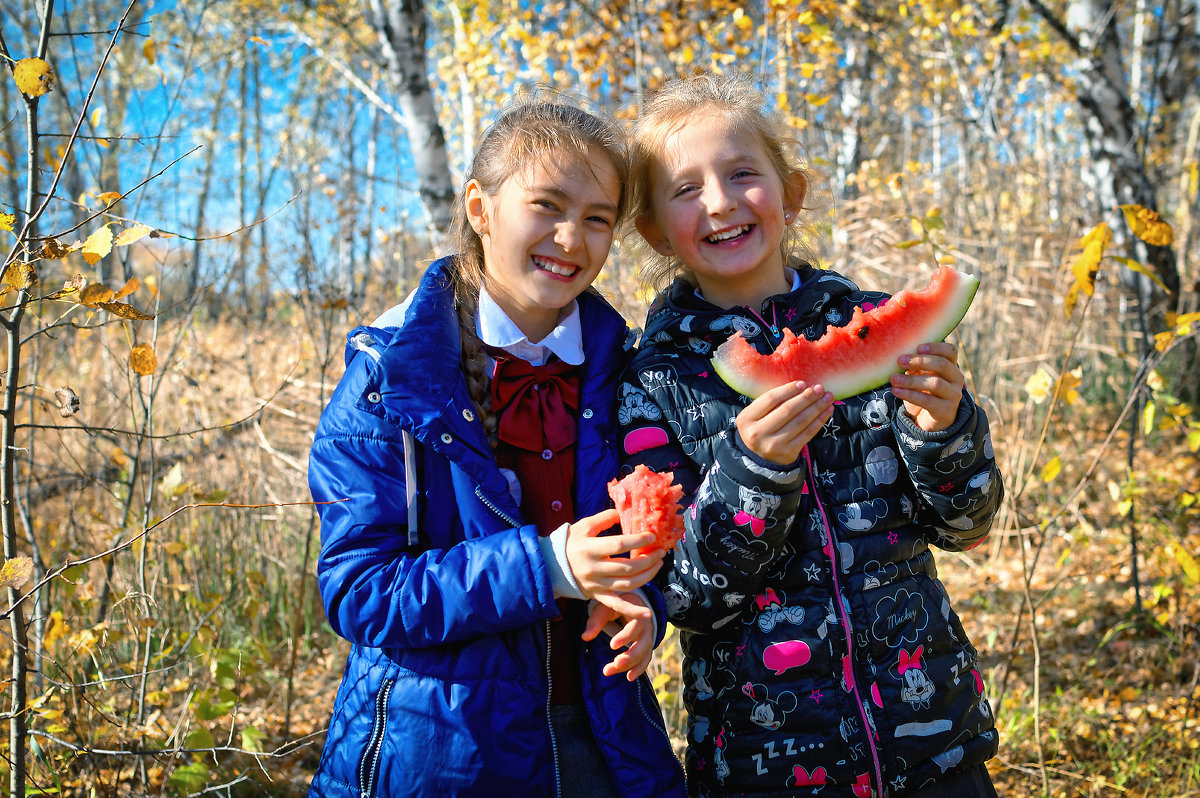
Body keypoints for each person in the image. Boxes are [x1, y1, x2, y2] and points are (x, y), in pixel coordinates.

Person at [616, 71, 1003, 798]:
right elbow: (685, 597)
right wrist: (754, 472)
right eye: (686, 188)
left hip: (935, 743)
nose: (722, 201)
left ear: (790, 195)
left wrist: (943, 429)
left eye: (741, 174)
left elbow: (967, 522)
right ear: (654, 230)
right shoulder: (651, 384)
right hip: (769, 761)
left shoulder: (874, 321)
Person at [306, 98, 687, 798]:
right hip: (440, 749)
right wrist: (547, 568)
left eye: (598, 218)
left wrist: (644, 607)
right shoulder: (390, 378)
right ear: (481, 208)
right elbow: (361, 592)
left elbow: (651, 543)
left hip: (603, 735)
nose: (572, 238)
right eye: (547, 205)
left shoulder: (626, 372)